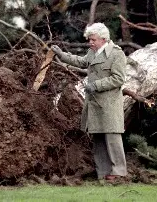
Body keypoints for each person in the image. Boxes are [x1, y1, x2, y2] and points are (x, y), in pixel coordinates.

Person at [51, 23, 127, 181]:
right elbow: (81, 62)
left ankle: (119, 172)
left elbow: (119, 79)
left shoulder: (116, 53)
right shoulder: (92, 52)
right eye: (89, 40)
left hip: (109, 103)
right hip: (94, 102)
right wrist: (62, 55)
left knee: (112, 136)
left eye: (93, 39)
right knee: (98, 137)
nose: (90, 42)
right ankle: (103, 172)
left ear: (103, 39)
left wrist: (96, 85)